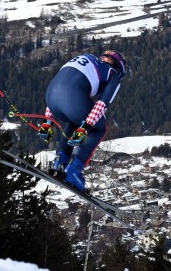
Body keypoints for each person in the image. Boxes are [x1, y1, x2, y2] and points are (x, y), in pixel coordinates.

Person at [38, 50, 128, 191]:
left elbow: (60, 86)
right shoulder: (113, 74)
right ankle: (75, 170)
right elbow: (101, 105)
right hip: (72, 100)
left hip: (51, 98)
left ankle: (59, 162)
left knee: (74, 120)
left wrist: (47, 122)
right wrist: (86, 127)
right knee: (100, 127)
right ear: (119, 68)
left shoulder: (84, 58)